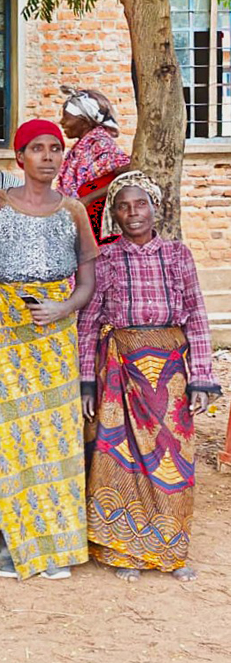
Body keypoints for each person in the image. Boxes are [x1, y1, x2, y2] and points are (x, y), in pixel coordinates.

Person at [0, 119, 98, 581]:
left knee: (55, 435)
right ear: (19, 157)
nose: (48, 156)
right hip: (2, 330)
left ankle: (55, 541)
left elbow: (87, 282)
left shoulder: (74, 210)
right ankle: (7, 538)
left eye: (55, 149)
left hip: (54, 333)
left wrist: (62, 308)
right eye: (37, 148)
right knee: (7, 433)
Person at [79, 172, 220, 583]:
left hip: (170, 372)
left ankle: (171, 552)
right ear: (114, 214)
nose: (133, 213)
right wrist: (86, 382)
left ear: (155, 208)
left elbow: (196, 316)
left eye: (140, 204)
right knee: (120, 460)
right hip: (120, 372)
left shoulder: (178, 255)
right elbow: (88, 323)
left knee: (172, 459)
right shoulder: (104, 259)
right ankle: (126, 551)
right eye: (123, 206)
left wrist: (202, 377)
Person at [59, 88, 131, 241]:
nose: (62, 122)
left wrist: (88, 198)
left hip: (95, 228)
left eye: (66, 117)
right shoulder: (83, 147)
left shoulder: (99, 143)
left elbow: (126, 176)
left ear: (85, 121)